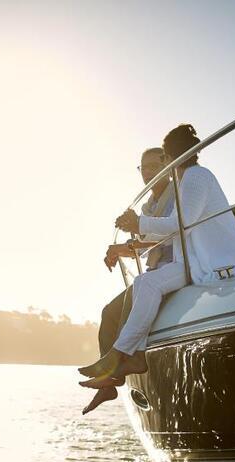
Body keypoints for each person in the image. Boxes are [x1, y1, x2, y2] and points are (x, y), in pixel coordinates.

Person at [78, 124, 235, 399]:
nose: (151, 171)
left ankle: (121, 355)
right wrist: (136, 229)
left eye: (161, 159)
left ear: (170, 156)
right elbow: (172, 231)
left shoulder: (196, 177)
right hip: (195, 261)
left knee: (144, 284)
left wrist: (138, 223)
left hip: (214, 262)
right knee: (144, 282)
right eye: (143, 167)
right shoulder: (186, 180)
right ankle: (128, 355)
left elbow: (179, 225)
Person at [81, 148, 175, 415]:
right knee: (108, 313)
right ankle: (108, 383)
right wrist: (120, 248)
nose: (147, 172)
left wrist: (135, 229)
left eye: (152, 166)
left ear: (166, 164)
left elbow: (171, 234)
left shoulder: (176, 198)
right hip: (154, 271)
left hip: (172, 269)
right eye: (142, 168)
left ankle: (118, 371)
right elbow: (145, 243)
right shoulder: (148, 206)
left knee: (126, 308)